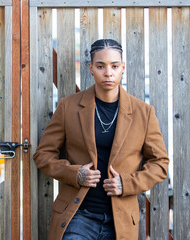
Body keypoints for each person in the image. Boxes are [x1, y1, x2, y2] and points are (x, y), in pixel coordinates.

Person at [33, 39, 169, 240]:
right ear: (90, 68)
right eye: (100, 66)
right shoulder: (68, 107)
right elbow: (43, 155)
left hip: (120, 220)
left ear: (122, 68)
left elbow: (160, 163)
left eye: (114, 66)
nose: (108, 73)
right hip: (77, 216)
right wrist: (74, 173)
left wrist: (127, 183)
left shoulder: (144, 113)